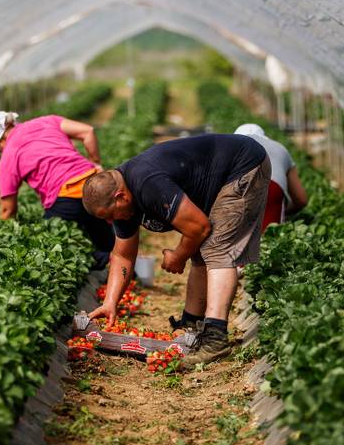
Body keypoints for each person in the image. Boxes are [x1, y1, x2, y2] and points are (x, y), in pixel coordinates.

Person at [82, 134, 270, 365]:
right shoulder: (121, 199)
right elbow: (122, 254)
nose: (111, 222)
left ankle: (215, 339)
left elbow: (199, 227)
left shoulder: (146, 183)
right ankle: (191, 325)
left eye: (110, 216)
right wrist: (110, 302)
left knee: (217, 249)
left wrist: (178, 256)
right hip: (219, 175)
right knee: (201, 252)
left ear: (120, 197)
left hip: (241, 166)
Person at [0, 111, 114, 267]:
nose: (1, 152)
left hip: (67, 195)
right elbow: (88, 131)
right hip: (93, 183)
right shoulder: (46, 121)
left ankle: (105, 262)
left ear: (1, 139)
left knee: (52, 247)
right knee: (105, 239)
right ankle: (127, 273)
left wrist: (4, 238)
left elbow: (7, 210)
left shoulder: (8, 156)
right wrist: (96, 163)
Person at [233, 124, 307, 231]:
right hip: (271, 188)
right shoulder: (280, 148)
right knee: (269, 237)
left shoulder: (233, 145)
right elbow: (301, 200)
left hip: (238, 186)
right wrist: (280, 208)